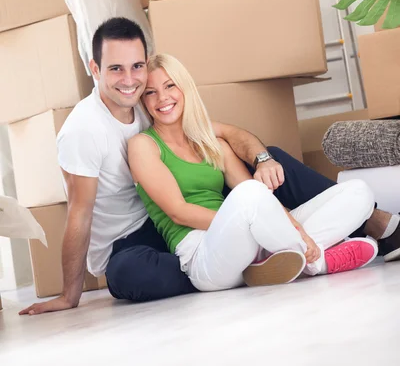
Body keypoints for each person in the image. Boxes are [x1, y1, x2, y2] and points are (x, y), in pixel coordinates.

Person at [19, 17, 400, 314]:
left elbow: (227, 133)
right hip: (136, 237)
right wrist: (70, 296)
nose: (133, 81)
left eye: (138, 68)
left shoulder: (143, 101)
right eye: (117, 69)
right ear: (95, 69)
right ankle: (297, 259)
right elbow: (80, 214)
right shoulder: (89, 129)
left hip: (211, 221)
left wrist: (265, 169)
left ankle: (324, 240)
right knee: (130, 274)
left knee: (288, 168)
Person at [129, 54, 379, 291]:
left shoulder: (211, 143)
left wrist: (294, 229)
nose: (162, 98)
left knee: (359, 192)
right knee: (250, 193)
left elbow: (260, 200)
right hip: (204, 257)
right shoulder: (143, 145)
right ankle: (318, 263)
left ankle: (283, 257)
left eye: (170, 86)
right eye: (150, 92)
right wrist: (255, 225)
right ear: (143, 101)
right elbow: (178, 212)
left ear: (185, 89)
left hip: (252, 245)